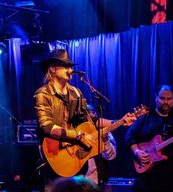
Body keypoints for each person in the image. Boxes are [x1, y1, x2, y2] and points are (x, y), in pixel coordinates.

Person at [34, 49, 136, 191]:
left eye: (71, 66)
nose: (70, 70)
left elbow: (90, 120)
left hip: (76, 160)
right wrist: (78, 135)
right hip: (54, 158)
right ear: (52, 69)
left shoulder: (76, 93)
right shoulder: (43, 94)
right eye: (66, 66)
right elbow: (46, 127)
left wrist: (118, 121)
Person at [125, 84, 173, 192]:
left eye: (169, 99)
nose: (166, 102)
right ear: (156, 98)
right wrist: (136, 151)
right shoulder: (146, 117)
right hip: (149, 179)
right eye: (162, 98)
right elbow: (129, 135)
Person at [85, 104, 117, 185]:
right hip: (75, 181)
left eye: (89, 112)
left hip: (94, 182)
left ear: (95, 114)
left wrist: (105, 140)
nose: (87, 116)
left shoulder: (105, 131)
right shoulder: (75, 130)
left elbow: (111, 156)